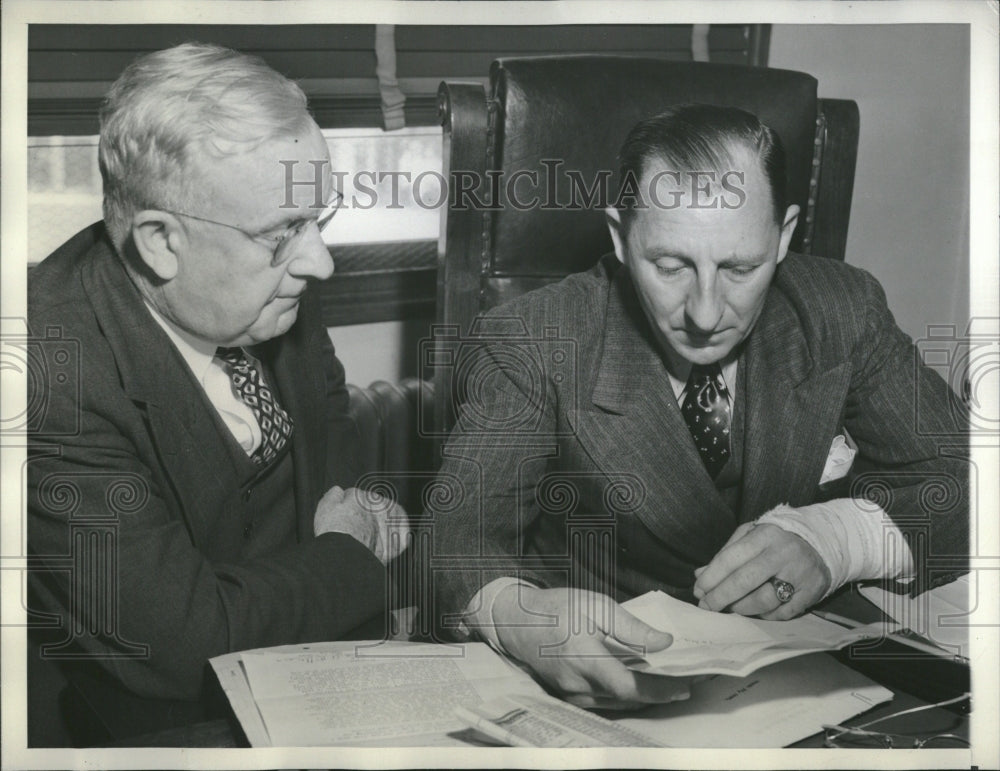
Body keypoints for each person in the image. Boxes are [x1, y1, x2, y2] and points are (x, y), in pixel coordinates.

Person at [428, 104, 969, 710]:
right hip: (604, 690)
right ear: (620, 236)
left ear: (785, 235)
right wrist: (518, 618)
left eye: (740, 267)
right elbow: (455, 538)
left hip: (804, 682)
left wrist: (836, 538)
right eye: (670, 266)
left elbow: (967, 481)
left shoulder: (844, 311)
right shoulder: (532, 340)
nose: (705, 314)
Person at [27, 43, 409, 742]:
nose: (318, 260)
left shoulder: (267, 282)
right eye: (285, 232)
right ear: (161, 241)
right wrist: (349, 555)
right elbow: (180, 643)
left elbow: (338, 482)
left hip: (318, 681)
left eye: (317, 221)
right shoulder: (43, 375)